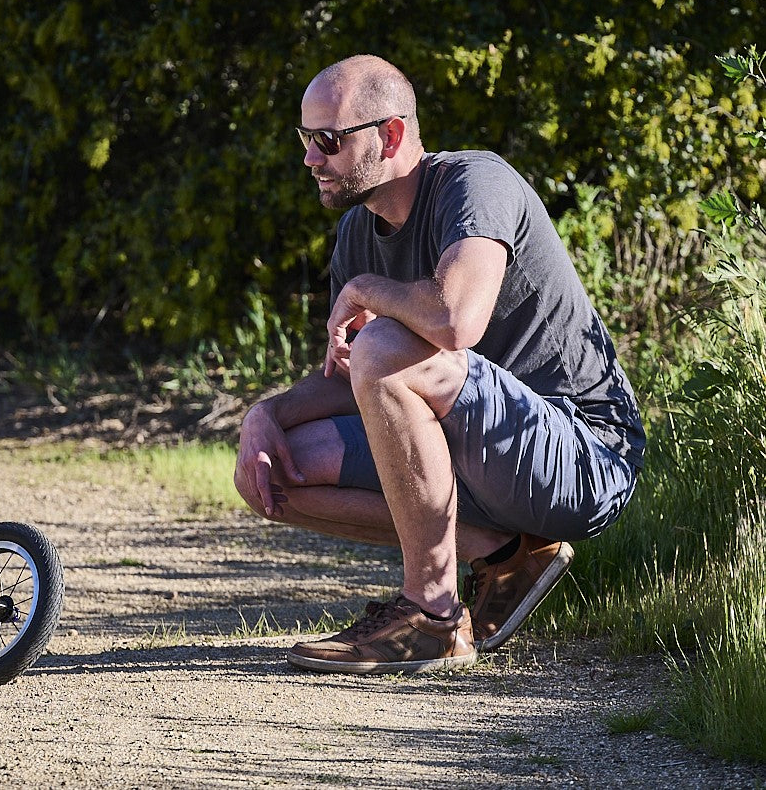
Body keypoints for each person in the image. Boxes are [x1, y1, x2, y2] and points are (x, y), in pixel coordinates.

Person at [234, 54, 646, 674]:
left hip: (583, 455)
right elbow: (358, 381)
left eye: (327, 140)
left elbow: (457, 320)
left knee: (382, 347)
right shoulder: (357, 233)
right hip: (482, 455)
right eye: (305, 139)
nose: (310, 158)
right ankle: (502, 551)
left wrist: (371, 291)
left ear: (391, 135)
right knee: (272, 470)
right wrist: (264, 415)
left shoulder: (474, 184)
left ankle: (431, 617)